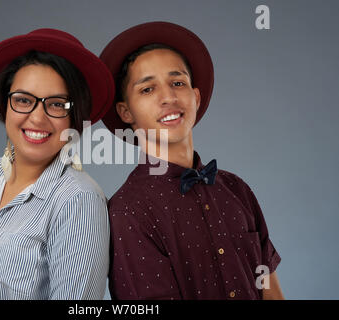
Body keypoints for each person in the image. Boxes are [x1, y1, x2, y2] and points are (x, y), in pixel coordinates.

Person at [100, 21, 284, 300]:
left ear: (195, 97)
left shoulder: (238, 190)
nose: (169, 97)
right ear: (126, 112)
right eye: (148, 89)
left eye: (177, 83)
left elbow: (272, 293)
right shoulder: (127, 213)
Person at [0, 28, 114, 299]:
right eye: (23, 100)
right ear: (6, 104)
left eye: (57, 105)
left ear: (75, 116)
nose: (37, 118)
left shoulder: (79, 199)